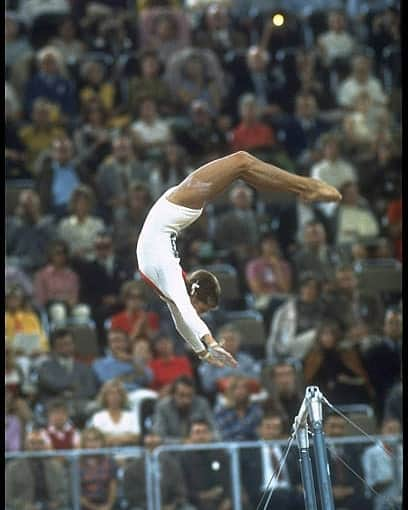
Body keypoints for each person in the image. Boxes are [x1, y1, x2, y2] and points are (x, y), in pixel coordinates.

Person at [137, 150, 341, 368]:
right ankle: (306, 187)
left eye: (202, 311)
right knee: (241, 166)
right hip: (177, 208)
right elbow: (184, 318)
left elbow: (184, 317)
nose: (199, 314)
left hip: (177, 205)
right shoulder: (172, 283)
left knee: (242, 163)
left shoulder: (171, 278)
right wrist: (206, 347)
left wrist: (206, 347)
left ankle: (307, 187)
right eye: (202, 311)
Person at [241, 413, 303, 510]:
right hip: (262, 494)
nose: (272, 431)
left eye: (276, 428)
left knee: (304, 498)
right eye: (268, 427)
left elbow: (298, 473)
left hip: (289, 492)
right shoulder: (249, 451)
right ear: (259, 429)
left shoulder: (289, 448)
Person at [37, 328, 98, 426]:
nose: (66, 348)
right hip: (55, 406)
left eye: (68, 344)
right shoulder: (45, 367)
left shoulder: (84, 367)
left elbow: (91, 389)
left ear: (74, 345)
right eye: (61, 345)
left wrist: (69, 392)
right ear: (54, 348)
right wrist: (74, 385)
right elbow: (53, 385)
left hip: (81, 404)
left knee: (94, 407)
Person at [266, 272, 324, 362]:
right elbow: (274, 333)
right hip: (285, 345)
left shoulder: (322, 308)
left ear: (318, 291)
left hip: (311, 346)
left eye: (313, 288)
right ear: (301, 288)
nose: (309, 290)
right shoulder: (286, 308)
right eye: (306, 286)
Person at [5, 429, 70, 510]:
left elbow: (65, 492)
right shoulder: (13, 467)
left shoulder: (56, 466)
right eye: (32, 443)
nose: (36, 446)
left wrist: (57, 503)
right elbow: (8, 496)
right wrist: (23, 506)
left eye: (40, 443)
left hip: (51, 506)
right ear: (25, 445)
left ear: (44, 445)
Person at [180, 419, 234, 510]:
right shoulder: (183, 458)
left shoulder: (220, 454)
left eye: (204, 432)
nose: (201, 436)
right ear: (190, 436)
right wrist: (202, 496)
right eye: (197, 432)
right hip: (195, 502)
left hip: (221, 501)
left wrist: (228, 499)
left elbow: (230, 480)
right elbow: (182, 489)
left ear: (210, 435)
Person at [323, 413, 372, 510]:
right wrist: (331, 491)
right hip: (324, 495)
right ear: (324, 428)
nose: (337, 431)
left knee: (366, 500)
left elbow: (360, 478)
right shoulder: (314, 451)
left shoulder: (354, 450)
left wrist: (349, 490)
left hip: (350, 495)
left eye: (341, 427)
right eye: (333, 426)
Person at [198, 323, 261, 396]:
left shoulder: (247, 360)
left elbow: (256, 380)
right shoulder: (210, 360)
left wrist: (237, 381)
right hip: (221, 397)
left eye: (232, 340)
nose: (229, 343)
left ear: (238, 342)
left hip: (247, 395)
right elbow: (207, 386)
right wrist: (224, 382)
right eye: (226, 340)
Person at [152, 375, 217, 442]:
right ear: (173, 394)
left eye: (189, 395)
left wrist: (206, 438)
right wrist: (183, 441)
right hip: (172, 451)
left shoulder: (202, 404)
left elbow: (216, 432)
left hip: (200, 448)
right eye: (181, 395)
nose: (186, 400)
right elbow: (158, 438)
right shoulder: (163, 407)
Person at [362, 418, 403, 510]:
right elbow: (370, 486)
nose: (393, 434)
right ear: (382, 431)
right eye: (390, 430)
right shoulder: (370, 453)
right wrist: (391, 478)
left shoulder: (401, 451)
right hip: (382, 503)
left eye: (397, 431)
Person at [89, 380, 141, 447]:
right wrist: (126, 436)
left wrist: (109, 436)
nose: (114, 396)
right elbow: (97, 439)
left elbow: (136, 438)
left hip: (129, 454)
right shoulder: (98, 417)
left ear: (122, 396)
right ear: (105, 397)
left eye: (118, 393)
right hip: (106, 454)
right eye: (111, 393)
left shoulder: (131, 416)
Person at [214, 375, 263, 441]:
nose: (241, 391)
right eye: (236, 388)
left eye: (244, 388)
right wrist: (247, 430)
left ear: (248, 391)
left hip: (253, 447)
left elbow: (260, 434)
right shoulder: (222, 411)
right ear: (230, 391)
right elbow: (223, 434)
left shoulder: (255, 410)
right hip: (229, 448)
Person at [79, 427, 118, 510]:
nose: (92, 444)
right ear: (83, 443)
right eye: (89, 441)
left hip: (107, 505)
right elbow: (77, 494)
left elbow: (113, 488)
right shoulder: (77, 464)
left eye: (96, 440)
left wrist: (108, 506)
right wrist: (95, 508)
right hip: (85, 506)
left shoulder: (110, 462)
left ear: (102, 442)